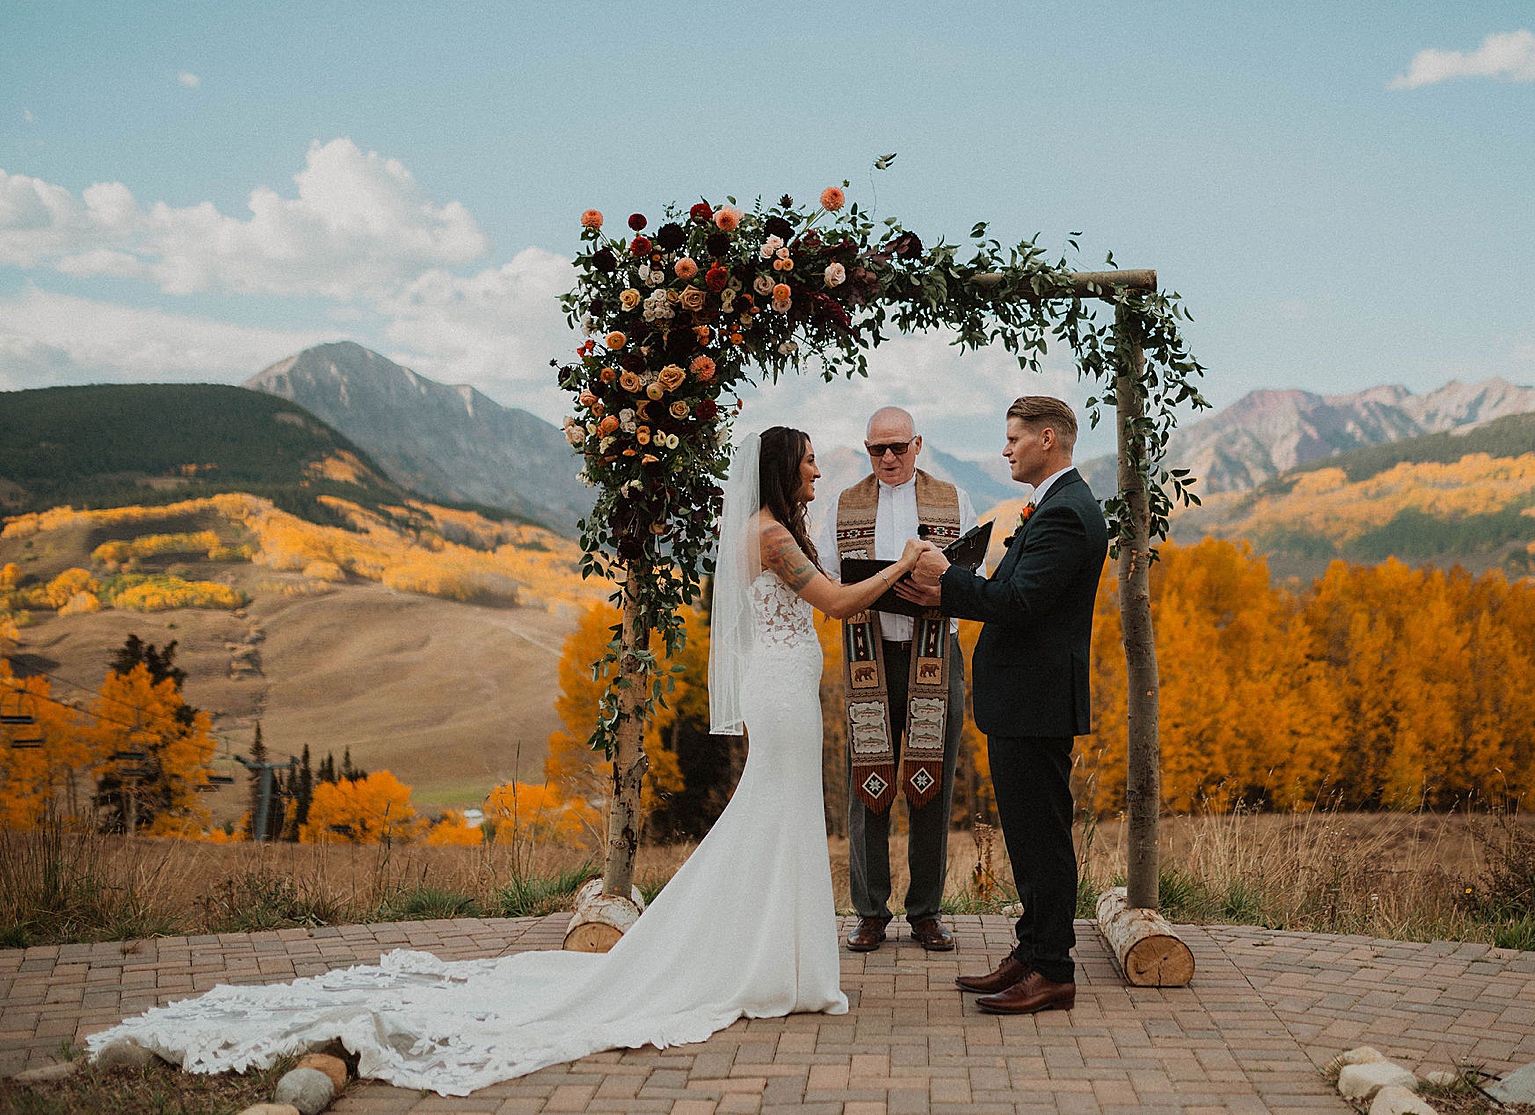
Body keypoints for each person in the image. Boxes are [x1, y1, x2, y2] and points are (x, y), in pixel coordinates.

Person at [85, 427, 930, 1097]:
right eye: (813, 463)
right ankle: (762, 962)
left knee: (776, 819)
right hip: (782, 695)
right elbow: (834, 602)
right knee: (770, 818)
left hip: (785, 686)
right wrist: (904, 566)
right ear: (786, 467)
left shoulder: (778, 528)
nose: (821, 474)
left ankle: (775, 961)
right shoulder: (774, 535)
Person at [905, 396, 1108, 1015]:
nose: (1006, 449)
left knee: (1042, 836)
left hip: (1035, 701)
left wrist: (947, 577)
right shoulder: (1054, 505)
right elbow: (1020, 595)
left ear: (1048, 439)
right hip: (1025, 700)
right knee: (1027, 833)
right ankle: (1030, 953)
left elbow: (1019, 602)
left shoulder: (1068, 513)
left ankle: (1052, 970)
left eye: (1014, 439)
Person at [815, 406, 980, 954]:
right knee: (868, 780)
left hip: (934, 654)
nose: (887, 458)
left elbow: (972, 575)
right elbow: (830, 580)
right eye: (876, 449)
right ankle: (869, 911)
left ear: (918, 444)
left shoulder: (953, 500)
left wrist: (944, 587)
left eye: (898, 447)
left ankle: (927, 911)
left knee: (931, 778)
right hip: (870, 655)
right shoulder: (844, 506)